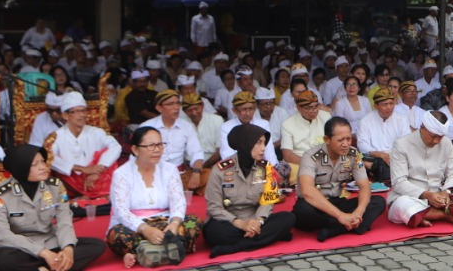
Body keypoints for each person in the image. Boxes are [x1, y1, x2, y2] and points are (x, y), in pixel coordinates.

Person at [0, 144, 107, 271]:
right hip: (16, 248)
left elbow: (64, 221)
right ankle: (59, 265)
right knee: (1, 260)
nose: (43, 167)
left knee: (96, 246)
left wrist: (67, 249)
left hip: (49, 241)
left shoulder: (55, 186)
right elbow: (2, 235)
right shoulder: (0, 194)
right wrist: (43, 253)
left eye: (43, 162)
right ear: (21, 167)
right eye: (35, 164)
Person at [106, 127, 202, 268]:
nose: (157, 150)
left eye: (160, 145)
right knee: (117, 234)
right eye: (151, 146)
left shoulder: (170, 169)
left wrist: (174, 224)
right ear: (135, 150)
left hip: (165, 222)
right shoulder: (122, 174)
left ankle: (141, 253)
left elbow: (178, 201)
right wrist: (145, 229)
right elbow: (121, 211)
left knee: (193, 222)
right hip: (136, 226)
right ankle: (175, 247)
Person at [203, 123, 295, 257]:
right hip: (229, 221)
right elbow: (214, 208)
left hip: (255, 219)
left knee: (288, 218)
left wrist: (258, 222)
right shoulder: (220, 170)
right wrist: (241, 224)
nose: (263, 148)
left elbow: (267, 201)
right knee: (212, 232)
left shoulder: (265, 168)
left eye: (264, 143)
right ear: (245, 143)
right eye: (258, 143)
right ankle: (267, 237)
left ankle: (237, 247)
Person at [293, 117, 386, 242]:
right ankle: (349, 225)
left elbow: (364, 186)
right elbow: (307, 191)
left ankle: (334, 229)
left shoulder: (353, 154)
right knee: (303, 211)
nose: (346, 144)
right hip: (316, 204)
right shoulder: (311, 157)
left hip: (337, 201)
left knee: (378, 202)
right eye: (340, 140)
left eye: (348, 139)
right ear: (327, 139)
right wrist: (340, 215)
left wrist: (358, 212)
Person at [386, 111, 453, 228]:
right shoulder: (401, 144)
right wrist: (427, 195)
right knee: (402, 205)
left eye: (440, 137)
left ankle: (424, 215)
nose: (436, 141)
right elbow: (398, 183)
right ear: (422, 127)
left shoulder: (446, 143)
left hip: (439, 195)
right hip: (412, 197)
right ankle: (446, 215)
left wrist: (446, 192)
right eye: (433, 136)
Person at [49, 94, 121, 199]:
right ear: (65, 115)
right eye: (77, 111)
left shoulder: (96, 132)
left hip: (96, 178)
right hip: (71, 180)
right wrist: (82, 169)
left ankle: (92, 197)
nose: (82, 115)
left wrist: (97, 170)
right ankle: (94, 198)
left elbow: (115, 147)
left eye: (84, 111)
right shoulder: (55, 136)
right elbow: (50, 158)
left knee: (110, 160)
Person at [140, 90, 206, 193]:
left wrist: (196, 172)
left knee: (209, 176)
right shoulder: (147, 127)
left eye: (177, 103)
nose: (176, 107)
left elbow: (196, 153)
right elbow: (137, 157)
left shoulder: (186, 126)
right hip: (152, 173)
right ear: (159, 108)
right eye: (171, 104)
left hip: (179, 174)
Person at [357, 87, 405, 182]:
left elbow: (406, 142)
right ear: (376, 106)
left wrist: (392, 155)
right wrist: (380, 154)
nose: (389, 107)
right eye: (385, 104)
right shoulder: (365, 121)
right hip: (374, 157)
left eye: (391, 103)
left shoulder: (402, 119)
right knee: (359, 159)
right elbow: (362, 145)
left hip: (396, 156)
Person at [279, 90, 327, 170]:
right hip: (299, 163)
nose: (314, 110)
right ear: (298, 108)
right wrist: (310, 163)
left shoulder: (325, 117)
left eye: (316, 106)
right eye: (309, 108)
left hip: (324, 161)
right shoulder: (287, 125)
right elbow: (287, 155)